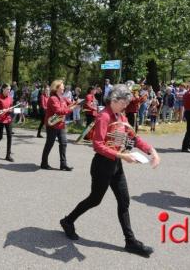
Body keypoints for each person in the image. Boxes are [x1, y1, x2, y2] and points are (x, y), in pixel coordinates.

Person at [59, 84, 161, 257]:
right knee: (94, 200)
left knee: (124, 201)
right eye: (124, 103)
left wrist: (152, 151)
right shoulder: (104, 116)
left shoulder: (120, 116)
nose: (126, 106)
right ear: (114, 100)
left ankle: (130, 242)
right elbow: (97, 145)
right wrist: (122, 156)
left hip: (116, 165)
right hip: (102, 166)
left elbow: (133, 137)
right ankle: (68, 221)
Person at [40, 80, 79, 171]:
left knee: (64, 143)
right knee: (49, 144)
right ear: (57, 88)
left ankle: (63, 164)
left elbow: (71, 103)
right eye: (62, 87)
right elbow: (59, 111)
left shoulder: (63, 98)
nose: (63, 88)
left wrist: (77, 102)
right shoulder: (53, 98)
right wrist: (72, 108)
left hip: (61, 124)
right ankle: (44, 163)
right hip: (52, 125)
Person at [0, 84, 15, 161]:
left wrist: (11, 110)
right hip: (0, 119)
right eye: (7, 89)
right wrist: (0, 110)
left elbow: (11, 108)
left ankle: (8, 155)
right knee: (0, 136)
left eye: (10, 89)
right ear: (3, 89)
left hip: (8, 119)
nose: (9, 91)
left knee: (9, 136)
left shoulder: (10, 98)